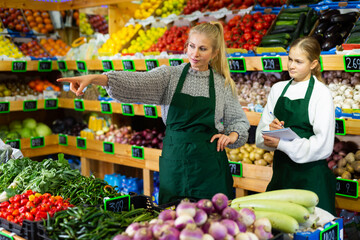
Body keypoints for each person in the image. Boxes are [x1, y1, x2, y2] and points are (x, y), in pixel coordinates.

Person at [57, 22, 250, 204]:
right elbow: (135, 82)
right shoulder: (170, 76)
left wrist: (233, 135)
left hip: (210, 168)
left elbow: (238, 121)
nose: (194, 53)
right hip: (175, 165)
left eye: (203, 48)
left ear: (215, 52)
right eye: (191, 46)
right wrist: (96, 78)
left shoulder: (222, 84)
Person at [255, 36, 336, 214]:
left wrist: (281, 143)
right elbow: (261, 133)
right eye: (290, 59)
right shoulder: (278, 89)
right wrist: (270, 131)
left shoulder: (321, 94)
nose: (291, 65)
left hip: (311, 179)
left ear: (313, 64)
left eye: (299, 61)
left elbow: (323, 146)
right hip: (281, 175)